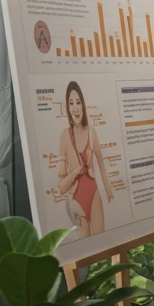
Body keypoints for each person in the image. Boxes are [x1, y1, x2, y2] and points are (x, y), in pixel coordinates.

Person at [55, 80, 114, 236]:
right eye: (71, 103)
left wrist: (108, 188)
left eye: (78, 102)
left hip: (94, 197)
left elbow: (101, 164)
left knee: (102, 248)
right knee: (87, 251)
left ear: (83, 105)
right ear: (67, 108)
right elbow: (61, 188)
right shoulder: (64, 137)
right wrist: (74, 172)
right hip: (76, 203)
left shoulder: (91, 133)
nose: (75, 108)